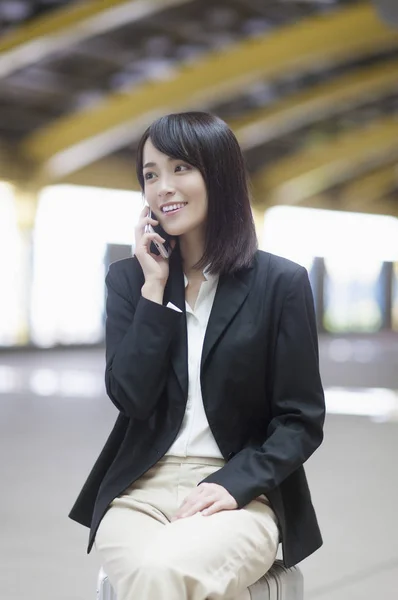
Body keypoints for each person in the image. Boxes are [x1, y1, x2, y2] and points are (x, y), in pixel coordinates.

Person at [69, 111, 325, 600]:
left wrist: (235, 483)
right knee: (157, 574)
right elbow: (131, 397)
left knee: (157, 577)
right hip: (140, 491)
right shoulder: (129, 282)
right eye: (150, 174)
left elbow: (300, 419)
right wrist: (154, 290)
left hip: (240, 491)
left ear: (219, 175)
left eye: (181, 168)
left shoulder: (280, 284)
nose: (163, 186)